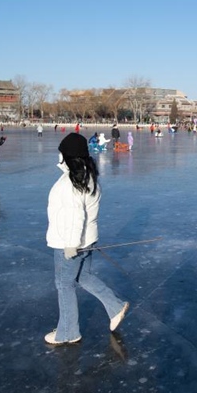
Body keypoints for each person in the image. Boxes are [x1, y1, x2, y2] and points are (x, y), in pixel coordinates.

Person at [44, 133, 129, 345]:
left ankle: (68, 331)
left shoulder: (71, 183)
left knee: (64, 284)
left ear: (68, 156)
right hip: (87, 240)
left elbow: (76, 216)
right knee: (83, 277)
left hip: (70, 243)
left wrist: (71, 244)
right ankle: (115, 306)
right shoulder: (88, 177)